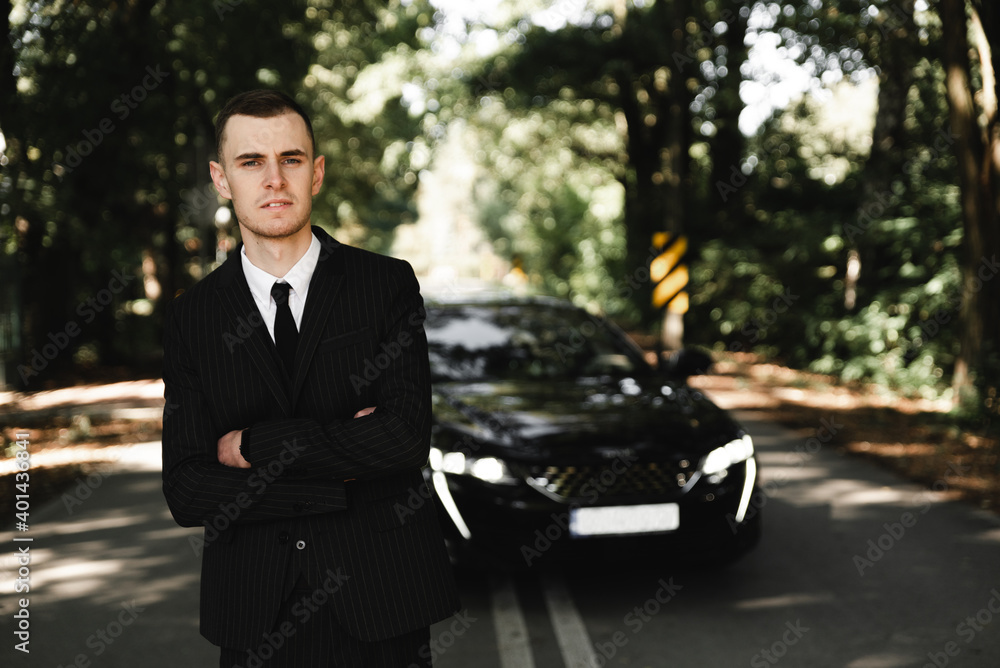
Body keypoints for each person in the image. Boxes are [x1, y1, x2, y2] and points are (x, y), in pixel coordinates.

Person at [161, 89, 460, 667]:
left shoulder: (385, 285)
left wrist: (255, 444)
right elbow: (188, 488)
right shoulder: (193, 317)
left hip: (383, 602)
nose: (274, 179)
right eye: (252, 162)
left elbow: (402, 437)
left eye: (290, 159)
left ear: (315, 172)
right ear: (222, 180)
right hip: (253, 610)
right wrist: (332, 482)